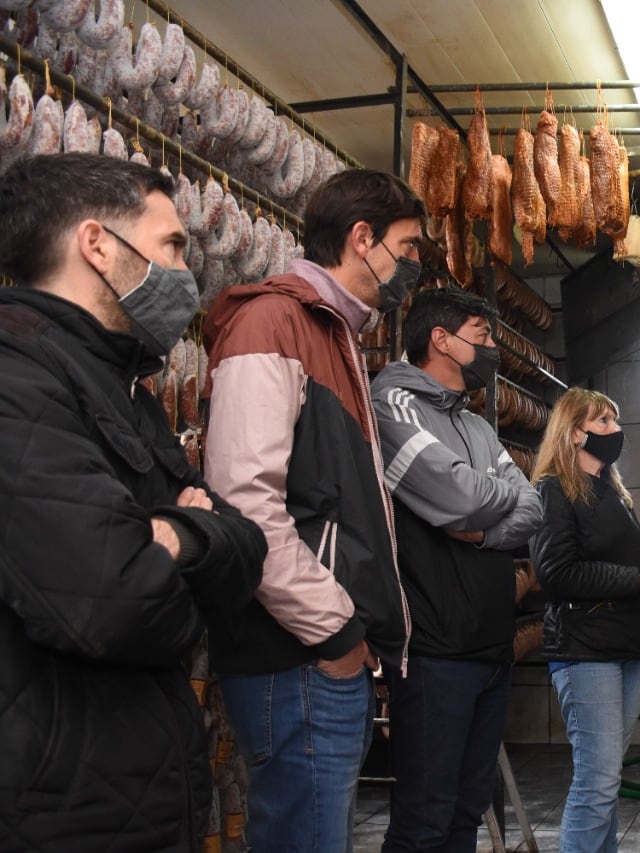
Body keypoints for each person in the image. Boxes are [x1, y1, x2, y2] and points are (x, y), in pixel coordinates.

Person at [0, 153, 266, 850]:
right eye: (171, 246)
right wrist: (191, 535)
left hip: (130, 792)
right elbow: (115, 599)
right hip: (54, 808)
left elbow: (243, 548)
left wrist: (174, 537)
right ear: (96, 245)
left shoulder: (126, 391)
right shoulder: (14, 377)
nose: (185, 273)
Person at [201, 169, 421, 851]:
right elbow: (246, 504)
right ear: (363, 239)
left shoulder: (334, 332)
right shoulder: (274, 320)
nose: (414, 265)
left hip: (319, 657)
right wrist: (336, 633)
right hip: (296, 657)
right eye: (408, 247)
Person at [370, 287, 543, 853]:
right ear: (441, 340)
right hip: (434, 649)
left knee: (468, 809)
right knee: (426, 816)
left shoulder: (474, 426)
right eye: (483, 335)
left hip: (488, 647)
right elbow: (457, 494)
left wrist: (484, 528)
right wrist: (488, 501)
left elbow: (531, 508)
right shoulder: (393, 404)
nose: (491, 348)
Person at [529, 388, 640, 853]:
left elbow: (612, 565)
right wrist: (638, 581)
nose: (616, 432)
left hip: (629, 647)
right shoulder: (552, 489)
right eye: (604, 424)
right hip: (584, 650)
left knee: (606, 778)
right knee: (596, 783)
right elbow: (555, 573)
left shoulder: (612, 490)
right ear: (575, 433)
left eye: (614, 422)